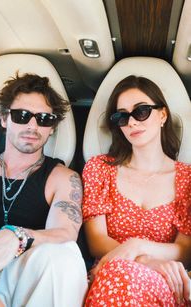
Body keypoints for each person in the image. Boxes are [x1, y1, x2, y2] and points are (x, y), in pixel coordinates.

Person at [0, 72, 88, 306]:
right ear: (4, 119)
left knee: (65, 256)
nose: (32, 126)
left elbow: (65, 233)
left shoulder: (61, 177)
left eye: (44, 119)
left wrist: (16, 237)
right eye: (21, 115)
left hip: (22, 278)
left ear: (52, 128)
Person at [82, 75, 191, 306]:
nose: (131, 122)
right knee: (122, 276)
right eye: (122, 116)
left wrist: (137, 246)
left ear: (162, 115)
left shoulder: (188, 178)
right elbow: (96, 241)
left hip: (166, 280)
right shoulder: (99, 169)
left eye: (140, 111)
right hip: (111, 273)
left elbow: (184, 250)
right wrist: (144, 260)